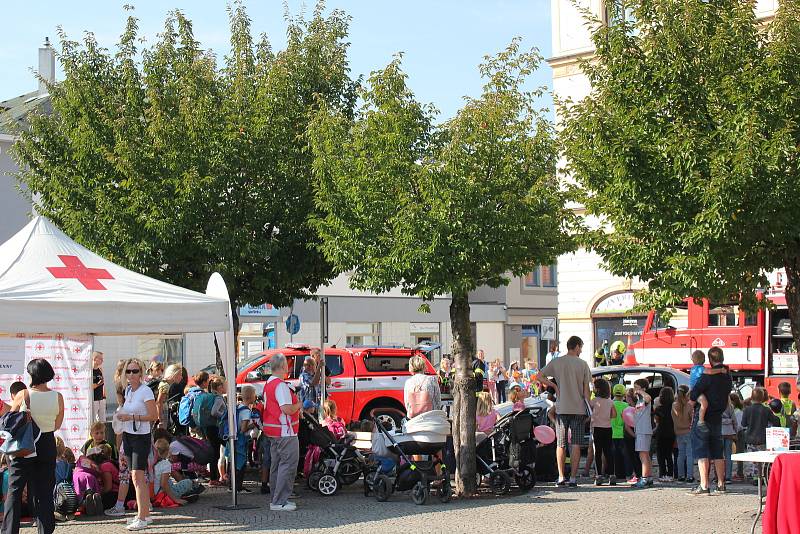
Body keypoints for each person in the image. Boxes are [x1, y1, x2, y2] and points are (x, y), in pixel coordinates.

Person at [2, 358, 64, 534]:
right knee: (44, 493)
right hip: (46, 443)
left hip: (24, 445)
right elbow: (56, 425)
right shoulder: (58, 397)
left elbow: (10, 421)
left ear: (32, 375)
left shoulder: (24, 394)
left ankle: (9, 531)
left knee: (14, 491)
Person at [536, 335, 591, 488]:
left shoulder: (557, 362)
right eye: (581, 347)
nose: (581, 350)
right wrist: (590, 406)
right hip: (578, 409)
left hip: (561, 409)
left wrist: (553, 386)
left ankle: (561, 477)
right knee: (576, 444)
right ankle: (573, 478)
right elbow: (586, 390)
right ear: (577, 346)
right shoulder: (583, 364)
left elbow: (539, 376)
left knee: (560, 444)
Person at [116, 358, 158, 531]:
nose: (131, 374)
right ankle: (144, 514)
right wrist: (123, 416)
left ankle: (142, 517)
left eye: (135, 371)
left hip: (141, 436)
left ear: (141, 372)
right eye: (128, 371)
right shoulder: (128, 390)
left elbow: (154, 416)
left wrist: (131, 417)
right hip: (128, 434)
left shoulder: (145, 391)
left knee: (137, 477)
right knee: (135, 477)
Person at [689, 346, 733, 496]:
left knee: (702, 451)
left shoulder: (706, 376)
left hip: (704, 416)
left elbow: (693, 394)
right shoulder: (728, 376)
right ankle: (721, 484)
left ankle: (704, 485)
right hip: (718, 416)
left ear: (710, 359)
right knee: (717, 452)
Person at [262, 354, 302, 512]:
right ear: (283, 366)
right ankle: (280, 501)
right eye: (287, 364)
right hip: (285, 432)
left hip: (273, 431)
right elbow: (286, 409)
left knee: (277, 466)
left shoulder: (269, 383)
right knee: (288, 465)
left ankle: (276, 499)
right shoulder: (281, 386)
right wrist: (298, 404)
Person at [742, 387, 780, 480]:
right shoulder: (766, 410)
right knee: (762, 458)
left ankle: (754, 477)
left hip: (750, 438)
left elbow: (743, 423)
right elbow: (775, 421)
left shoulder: (747, 410)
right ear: (763, 397)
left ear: (751, 397)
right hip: (762, 438)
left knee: (753, 459)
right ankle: (761, 476)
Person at [153, 439, 197, 506]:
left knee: (169, 480)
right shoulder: (165, 464)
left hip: (151, 492)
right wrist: (175, 499)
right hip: (160, 494)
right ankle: (180, 495)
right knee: (188, 482)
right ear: (167, 451)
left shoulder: (151, 461)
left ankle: (180, 494)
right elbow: (163, 484)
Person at [590, 378, 616, 485]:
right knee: (608, 452)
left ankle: (599, 475)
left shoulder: (594, 401)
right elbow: (614, 415)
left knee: (598, 452)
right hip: (608, 428)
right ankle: (611, 475)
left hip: (597, 428)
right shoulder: (610, 401)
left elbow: (588, 409)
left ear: (598, 389)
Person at [631, 379, 654, 488]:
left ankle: (644, 478)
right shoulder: (639, 400)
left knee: (643, 454)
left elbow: (649, 398)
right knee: (645, 454)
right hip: (641, 429)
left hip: (643, 430)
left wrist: (640, 392)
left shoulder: (645, 398)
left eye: (637, 387)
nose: (635, 390)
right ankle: (648, 477)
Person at [673, 385, 695, 483]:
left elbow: (673, 419)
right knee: (689, 454)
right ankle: (690, 476)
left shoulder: (674, 405)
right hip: (688, 431)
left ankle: (680, 475)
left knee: (680, 454)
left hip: (678, 431)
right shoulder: (689, 405)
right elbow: (692, 419)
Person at [654, 387, 675, 482]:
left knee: (660, 455)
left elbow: (656, 421)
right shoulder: (674, 407)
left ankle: (662, 474)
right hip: (671, 433)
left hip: (661, 432)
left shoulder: (658, 409)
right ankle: (671, 474)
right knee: (669, 455)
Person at [610, 384, 630, 484]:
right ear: (624, 394)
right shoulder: (626, 406)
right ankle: (623, 474)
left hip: (612, 433)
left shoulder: (610, 404)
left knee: (613, 456)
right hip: (622, 433)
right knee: (623, 456)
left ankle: (614, 473)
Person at [156, 364, 183, 430]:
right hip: (161, 412)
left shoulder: (165, 383)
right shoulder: (165, 386)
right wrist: (160, 417)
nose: (181, 377)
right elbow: (159, 402)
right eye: (180, 374)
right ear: (174, 374)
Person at [720, 396, 738, 485]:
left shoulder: (716, 405)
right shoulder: (730, 406)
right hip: (729, 432)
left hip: (719, 432)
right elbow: (734, 420)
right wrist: (735, 431)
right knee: (728, 455)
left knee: (718, 456)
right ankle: (728, 477)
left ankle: (718, 476)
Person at [730, 392, 745, 481]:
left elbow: (739, 425)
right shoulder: (733, 411)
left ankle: (740, 473)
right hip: (733, 432)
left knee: (740, 453)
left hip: (739, 433)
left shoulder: (739, 412)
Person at [91, 351, 106, 423]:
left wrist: (104, 396)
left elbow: (103, 383)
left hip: (101, 398)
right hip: (94, 399)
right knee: (93, 420)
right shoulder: (90, 371)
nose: (102, 361)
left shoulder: (100, 369)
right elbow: (91, 387)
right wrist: (99, 384)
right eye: (100, 359)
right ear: (94, 359)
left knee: (103, 420)